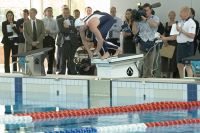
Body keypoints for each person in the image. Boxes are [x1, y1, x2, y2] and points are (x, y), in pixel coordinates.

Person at [161, 6, 196, 78]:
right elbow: (175, 36)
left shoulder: (191, 22)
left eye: (181, 12)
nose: (179, 14)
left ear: (186, 13)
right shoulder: (180, 22)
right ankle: (182, 80)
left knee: (188, 65)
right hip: (180, 45)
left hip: (187, 46)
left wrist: (181, 30)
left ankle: (189, 82)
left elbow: (192, 36)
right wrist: (165, 38)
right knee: (179, 65)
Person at [132, 3, 160, 78]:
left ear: (151, 10)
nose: (145, 12)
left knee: (150, 64)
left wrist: (146, 19)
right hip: (141, 43)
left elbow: (154, 25)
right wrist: (135, 20)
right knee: (140, 63)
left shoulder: (155, 17)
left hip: (151, 43)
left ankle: (148, 79)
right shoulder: (139, 19)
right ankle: (138, 78)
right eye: (144, 10)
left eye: (146, 10)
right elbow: (134, 32)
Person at [57, 7, 78, 75]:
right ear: (62, 13)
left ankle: (72, 72)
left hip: (72, 42)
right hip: (63, 42)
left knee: (71, 58)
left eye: (67, 13)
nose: (66, 14)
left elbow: (75, 30)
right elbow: (61, 30)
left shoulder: (73, 20)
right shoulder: (59, 20)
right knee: (62, 58)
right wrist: (70, 29)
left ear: (69, 13)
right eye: (64, 13)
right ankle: (62, 72)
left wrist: (68, 27)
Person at [160, 11, 178, 78]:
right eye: (170, 15)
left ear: (175, 16)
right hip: (166, 42)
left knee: (172, 60)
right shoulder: (166, 24)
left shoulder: (176, 24)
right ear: (168, 16)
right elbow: (164, 33)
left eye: (172, 15)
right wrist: (164, 40)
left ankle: (171, 76)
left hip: (173, 42)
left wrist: (165, 39)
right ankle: (163, 75)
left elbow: (175, 36)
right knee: (163, 58)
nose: (171, 17)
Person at [42, 7, 59, 74]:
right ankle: (42, 70)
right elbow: (40, 30)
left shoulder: (55, 21)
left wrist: (50, 31)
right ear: (45, 12)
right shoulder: (42, 20)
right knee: (42, 56)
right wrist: (45, 31)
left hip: (51, 39)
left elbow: (57, 31)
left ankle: (50, 70)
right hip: (44, 40)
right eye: (48, 11)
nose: (49, 12)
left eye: (51, 11)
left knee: (51, 56)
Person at [56, 4, 68, 72]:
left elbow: (73, 29)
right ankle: (60, 70)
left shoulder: (71, 18)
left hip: (69, 41)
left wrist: (68, 28)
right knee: (60, 57)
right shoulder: (58, 18)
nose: (65, 13)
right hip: (61, 40)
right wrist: (68, 29)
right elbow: (61, 29)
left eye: (67, 10)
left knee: (69, 57)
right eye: (64, 10)